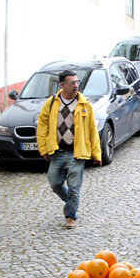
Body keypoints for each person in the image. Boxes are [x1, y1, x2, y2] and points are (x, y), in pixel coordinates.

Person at [36, 70, 101, 230]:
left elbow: (92, 129)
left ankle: (70, 216)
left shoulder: (84, 104)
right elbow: (42, 125)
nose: (76, 86)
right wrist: (43, 148)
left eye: (77, 82)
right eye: (72, 83)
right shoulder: (52, 103)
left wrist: (96, 153)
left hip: (76, 153)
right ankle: (70, 204)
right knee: (55, 183)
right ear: (62, 85)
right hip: (57, 151)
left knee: (74, 188)